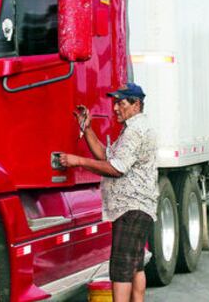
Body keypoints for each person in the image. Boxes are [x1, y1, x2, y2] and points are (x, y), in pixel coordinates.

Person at [59, 83, 158, 302]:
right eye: (115, 103)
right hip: (140, 208)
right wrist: (87, 129)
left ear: (136, 104)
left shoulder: (135, 131)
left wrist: (78, 161)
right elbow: (106, 156)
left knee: (121, 268)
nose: (115, 108)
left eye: (121, 103)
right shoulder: (136, 128)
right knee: (135, 264)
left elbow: (116, 168)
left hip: (130, 208)